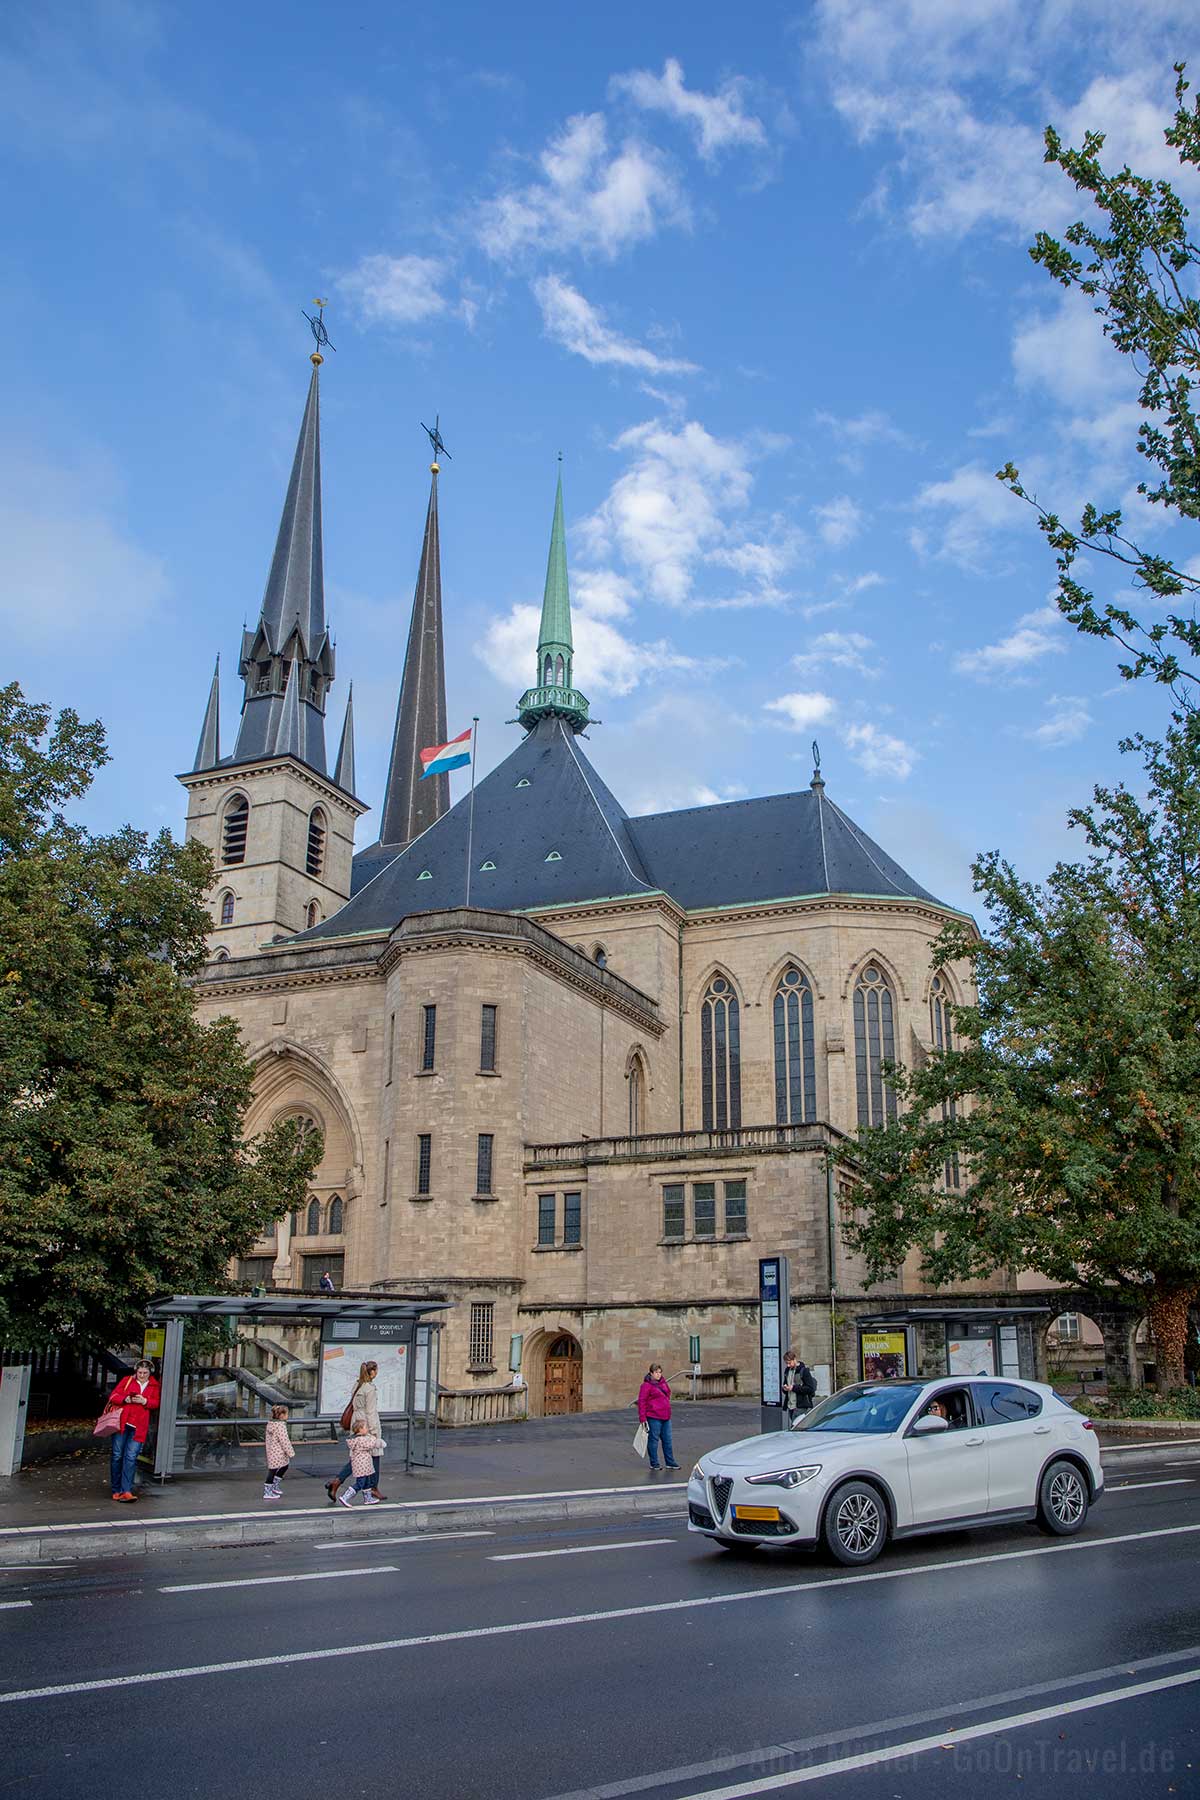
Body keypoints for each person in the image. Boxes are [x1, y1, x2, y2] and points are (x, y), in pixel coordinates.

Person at [326, 1361, 386, 1502]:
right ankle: (373, 1487)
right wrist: (374, 1432)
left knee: (358, 1457)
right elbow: (370, 1412)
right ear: (371, 1372)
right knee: (374, 1456)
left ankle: (337, 1482)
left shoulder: (357, 1385)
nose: (377, 1373)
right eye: (376, 1370)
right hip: (365, 1423)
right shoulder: (369, 1389)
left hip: (356, 1420)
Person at [105, 1359, 160, 1502]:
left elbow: (156, 1402)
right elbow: (114, 1396)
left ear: (150, 1373)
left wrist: (145, 1401)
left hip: (139, 1426)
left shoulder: (154, 1385)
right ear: (136, 1371)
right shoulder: (127, 1380)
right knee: (117, 1455)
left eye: (145, 1373)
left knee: (130, 1457)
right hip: (123, 1423)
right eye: (140, 1372)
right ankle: (116, 1489)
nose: (142, 1375)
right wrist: (126, 1399)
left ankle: (126, 1490)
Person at [637, 1364, 679, 1471]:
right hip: (653, 1416)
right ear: (651, 1373)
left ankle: (670, 1462)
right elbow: (642, 1402)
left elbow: (668, 1393)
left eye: (660, 1372)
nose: (658, 1374)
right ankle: (654, 1463)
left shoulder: (663, 1382)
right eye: (656, 1372)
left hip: (665, 1416)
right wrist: (642, 1418)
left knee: (667, 1440)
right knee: (653, 1440)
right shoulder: (646, 1386)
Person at [337, 1420, 387, 1507]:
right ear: (360, 1429)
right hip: (362, 1465)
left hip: (364, 1465)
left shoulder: (357, 1439)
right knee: (360, 1483)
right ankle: (345, 1497)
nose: (367, 1429)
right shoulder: (361, 1440)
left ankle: (368, 1498)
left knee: (367, 1482)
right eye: (365, 1427)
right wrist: (377, 1440)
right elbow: (371, 1444)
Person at [263, 1404, 295, 1501]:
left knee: (283, 1466)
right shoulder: (280, 1426)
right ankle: (268, 1491)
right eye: (286, 1414)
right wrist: (291, 1452)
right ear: (281, 1415)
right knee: (273, 1470)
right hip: (278, 1451)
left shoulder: (271, 1424)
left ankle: (273, 1486)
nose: (287, 1416)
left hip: (272, 1451)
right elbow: (284, 1440)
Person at [782, 1351, 817, 1417]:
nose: (788, 1365)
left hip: (801, 1406)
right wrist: (784, 1388)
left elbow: (810, 1388)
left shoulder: (804, 1371)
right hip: (790, 1406)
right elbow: (785, 1384)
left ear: (794, 1359)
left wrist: (793, 1388)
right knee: (794, 1426)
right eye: (786, 1363)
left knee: (796, 1426)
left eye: (789, 1363)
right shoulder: (787, 1370)